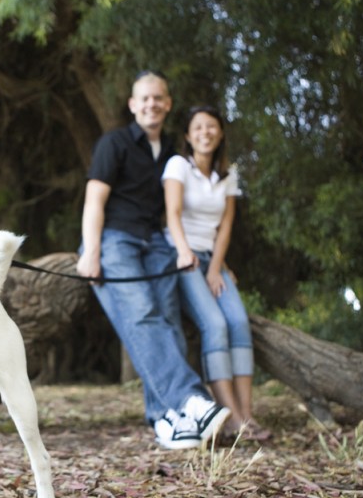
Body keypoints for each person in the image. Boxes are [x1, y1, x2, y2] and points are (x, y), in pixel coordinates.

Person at [77, 71, 230, 450]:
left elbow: (182, 212)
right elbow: (94, 200)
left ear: (168, 104)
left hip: (156, 245)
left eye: (158, 98)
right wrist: (91, 250)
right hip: (116, 240)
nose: (151, 104)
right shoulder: (114, 143)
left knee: (167, 322)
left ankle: (165, 418)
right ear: (133, 104)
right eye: (144, 98)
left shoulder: (172, 157)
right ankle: (191, 400)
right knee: (142, 313)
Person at [162, 105, 269, 441]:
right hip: (181, 255)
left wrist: (216, 267)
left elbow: (225, 226)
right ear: (187, 135)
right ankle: (232, 417)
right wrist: (186, 254)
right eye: (198, 127)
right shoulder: (178, 165)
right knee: (216, 324)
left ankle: (248, 415)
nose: (205, 132)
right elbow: (173, 214)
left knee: (238, 323)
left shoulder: (228, 174)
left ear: (220, 133)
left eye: (211, 127)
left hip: (212, 258)